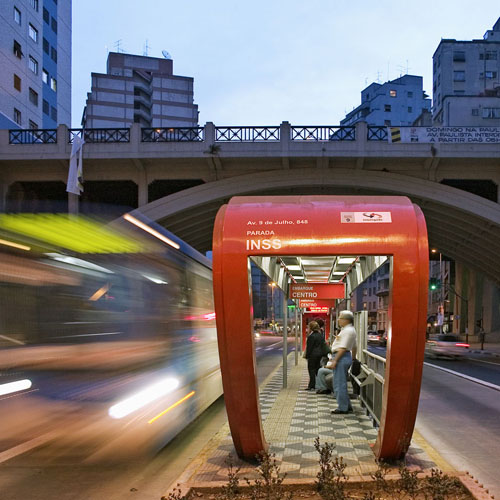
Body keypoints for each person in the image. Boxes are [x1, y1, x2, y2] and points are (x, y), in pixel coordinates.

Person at [326, 310, 357, 414]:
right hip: (344, 357)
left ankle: (342, 408)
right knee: (341, 383)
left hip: (341, 357)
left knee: (339, 384)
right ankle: (347, 406)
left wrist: (335, 360)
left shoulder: (348, 331)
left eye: (340, 318)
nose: (338, 320)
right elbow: (355, 346)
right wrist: (352, 358)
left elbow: (343, 348)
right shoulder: (348, 330)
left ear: (346, 320)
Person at [303, 321, 324, 391]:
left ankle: (311, 385)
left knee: (311, 370)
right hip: (320, 355)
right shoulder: (320, 335)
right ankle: (319, 384)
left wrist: (307, 356)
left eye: (308, 327)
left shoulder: (311, 336)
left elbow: (309, 348)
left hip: (312, 355)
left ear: (311, 328)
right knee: (317, 369)